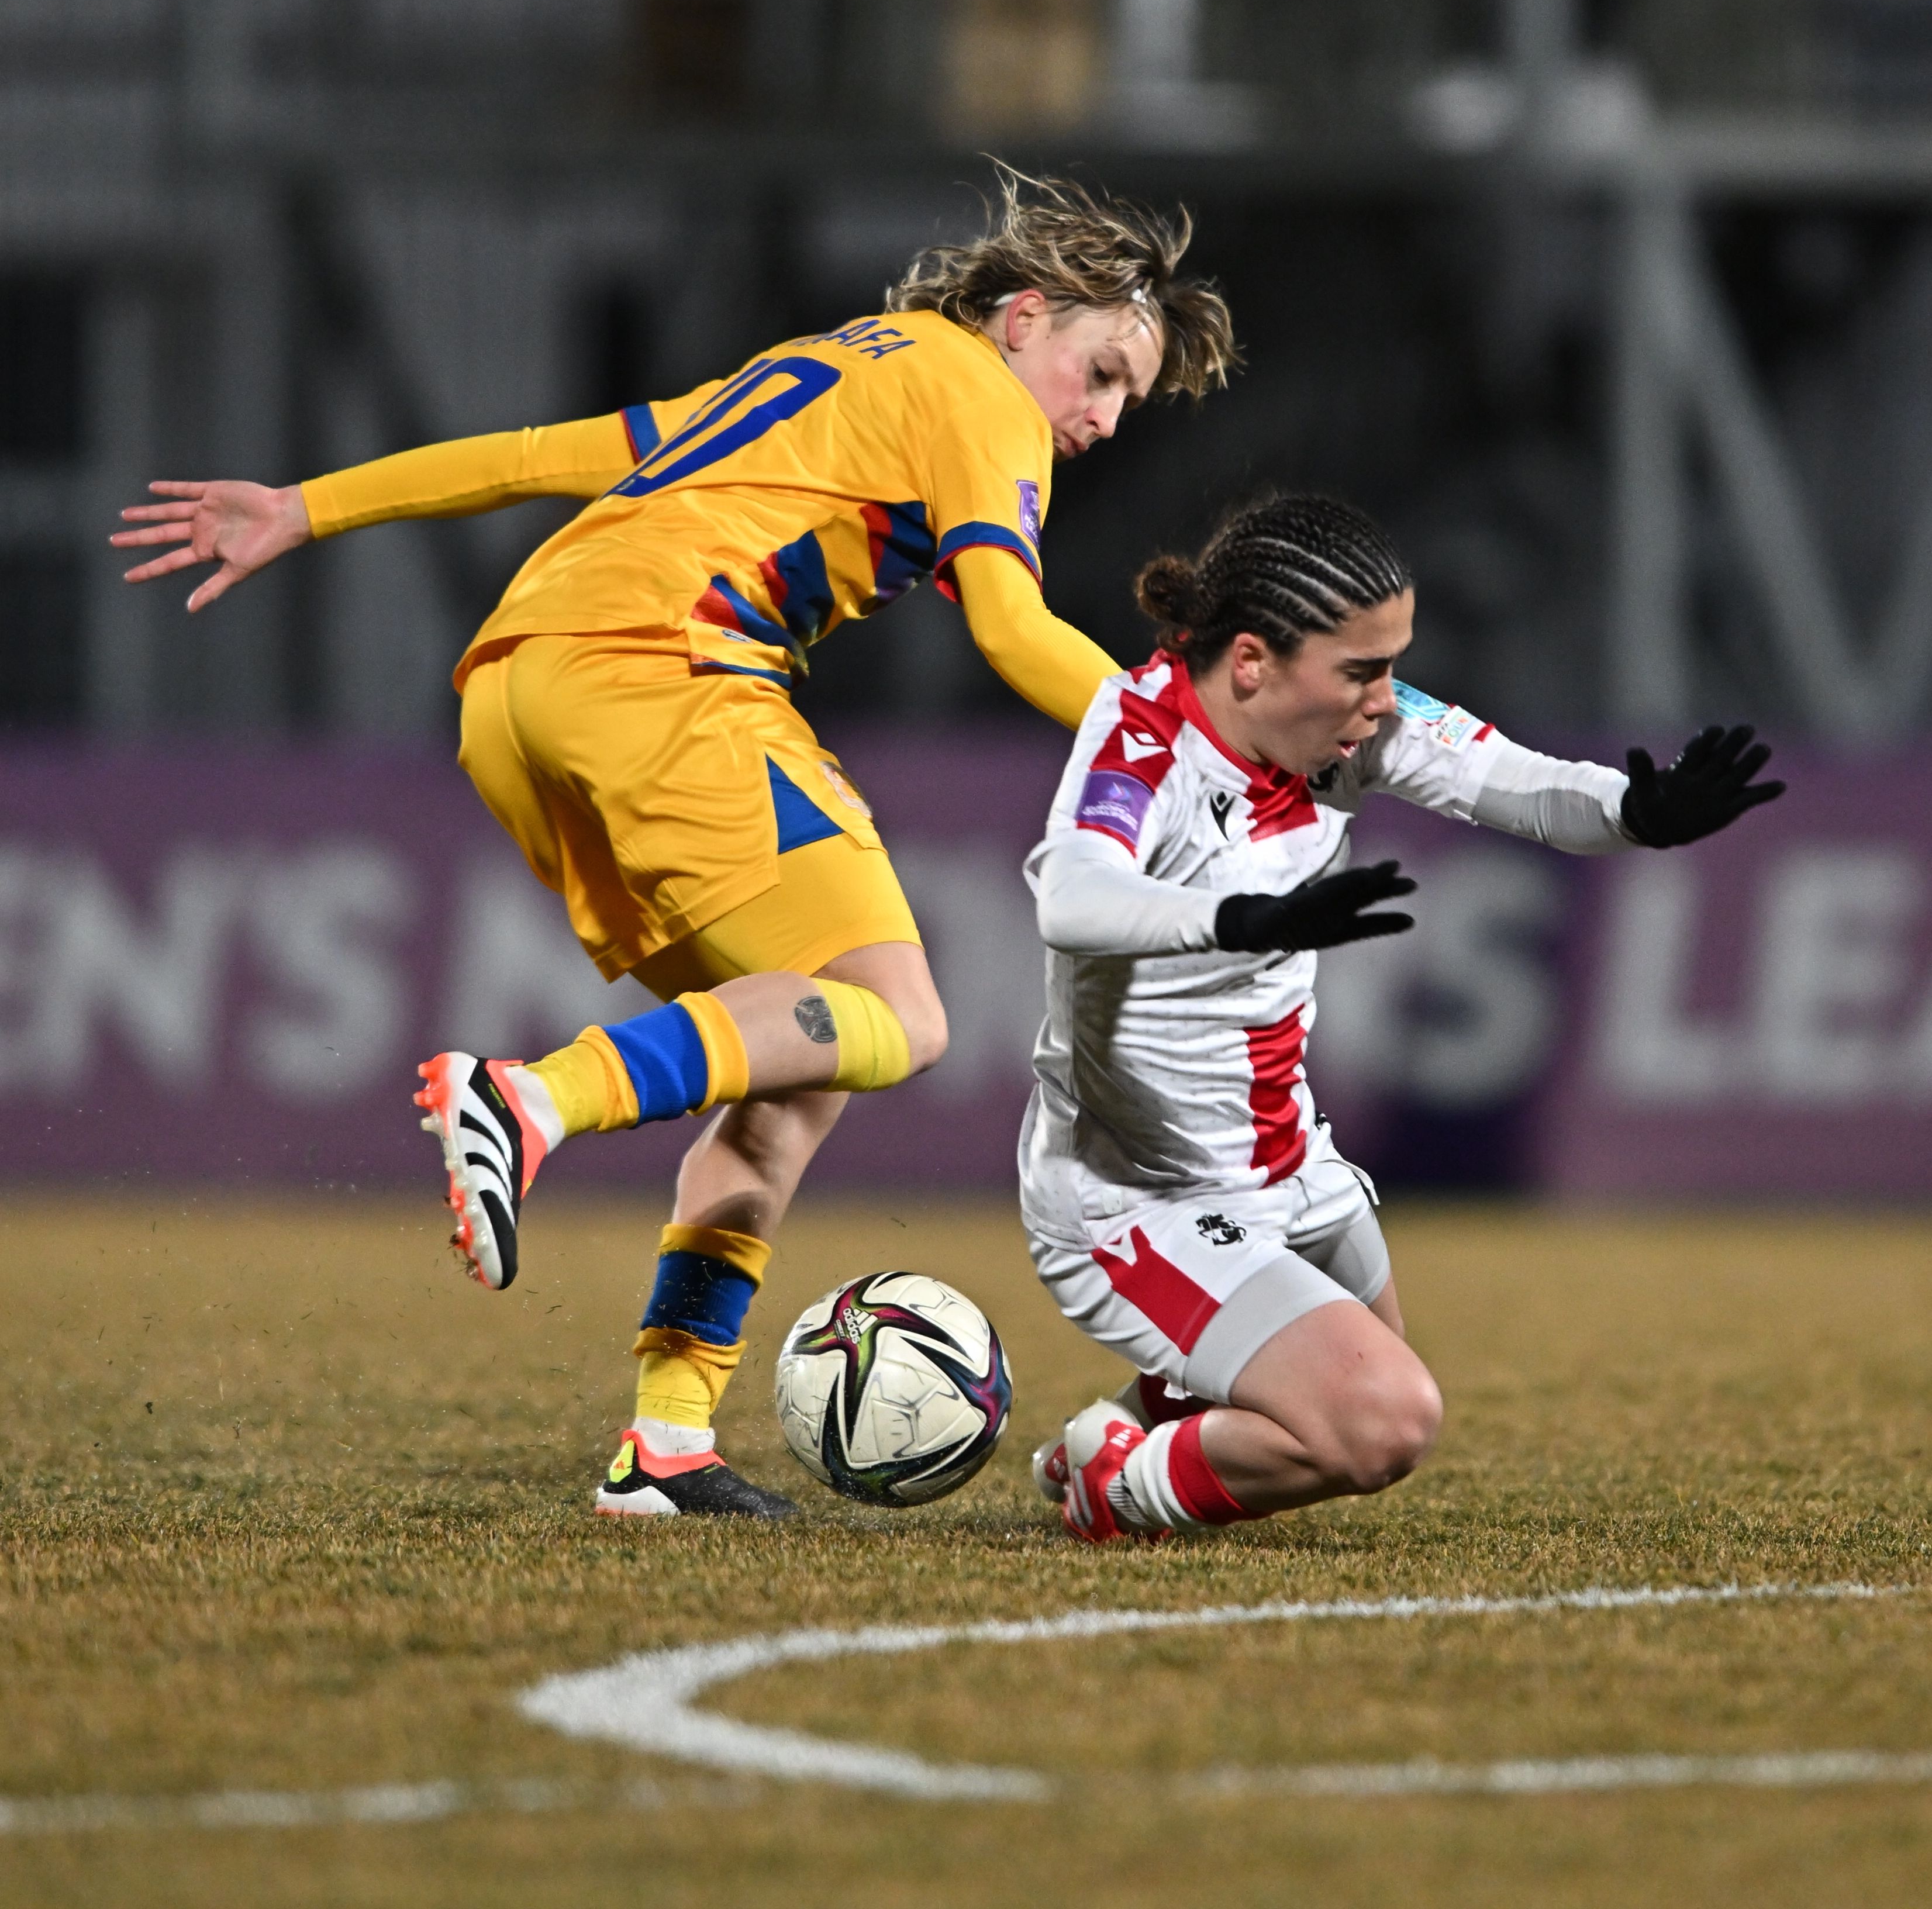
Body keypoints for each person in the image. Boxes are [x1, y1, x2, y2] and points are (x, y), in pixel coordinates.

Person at [113, 169, 1238, 1520]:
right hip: (669, 676)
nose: (1103, 416)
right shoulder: (980, 399)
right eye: (1100, 370)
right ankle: (535, 1100)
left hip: (515, 692)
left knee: (794, 1062)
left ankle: (664, 1443)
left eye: (1128, 398)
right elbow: (1009, 628)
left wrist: (308, 507)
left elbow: (544, 453)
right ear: (1021, 319)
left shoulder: (830, 365)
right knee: (901, 1017)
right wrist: (1190, 742)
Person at [1023, 491, 1783, 1544]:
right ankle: (1120, 1489)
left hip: (1290, 1166)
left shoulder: (1340, 727)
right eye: (1363, 671)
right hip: (1138, 1193)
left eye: (1394, 664)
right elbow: (1071, 897)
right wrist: (1239, 918)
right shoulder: (1143, 740)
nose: (1386, 701)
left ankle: (1106, 1438)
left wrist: (1634, 814)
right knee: (1383, 1420)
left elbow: (1507, 779)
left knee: (1342, 1380)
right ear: (1251, 663)